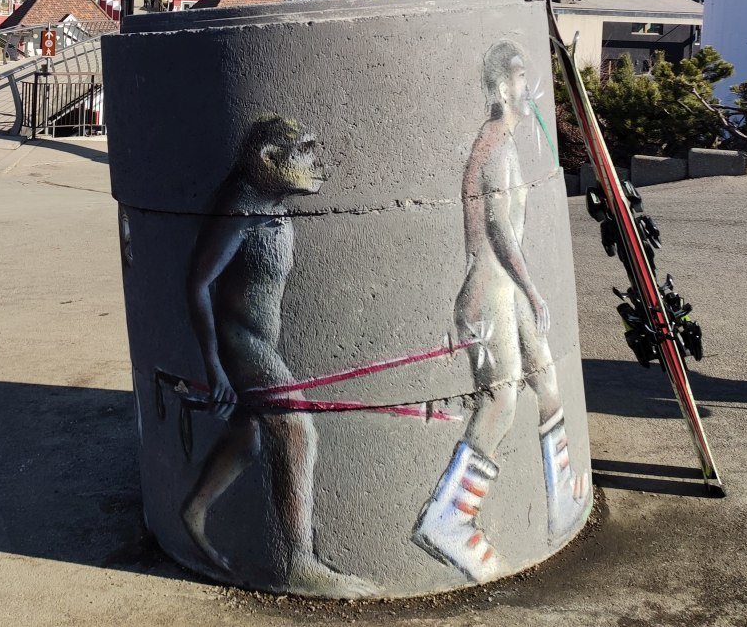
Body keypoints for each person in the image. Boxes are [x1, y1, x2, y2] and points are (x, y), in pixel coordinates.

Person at [413, 41, 588, 582]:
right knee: (501, 400)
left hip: (504, 291)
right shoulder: (494, 148)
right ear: (497, 86)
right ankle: (448, 517)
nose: (526, 84)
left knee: (548, 382)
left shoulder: (507, 144)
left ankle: (560, 501)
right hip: (491, 292)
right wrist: (535, 290)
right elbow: (499, 233)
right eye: (517, 75)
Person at [181, 115, 374, 597]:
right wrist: (215, 367)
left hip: (260, 339)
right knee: (295, 430)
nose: (316, 160)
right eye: (303, 150)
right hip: (240, 341)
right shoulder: (242, 207)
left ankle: (194, 510)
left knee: (247, 438)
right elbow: (198, 284)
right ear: (269, 159)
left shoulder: (273, 205)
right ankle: (298, 564)